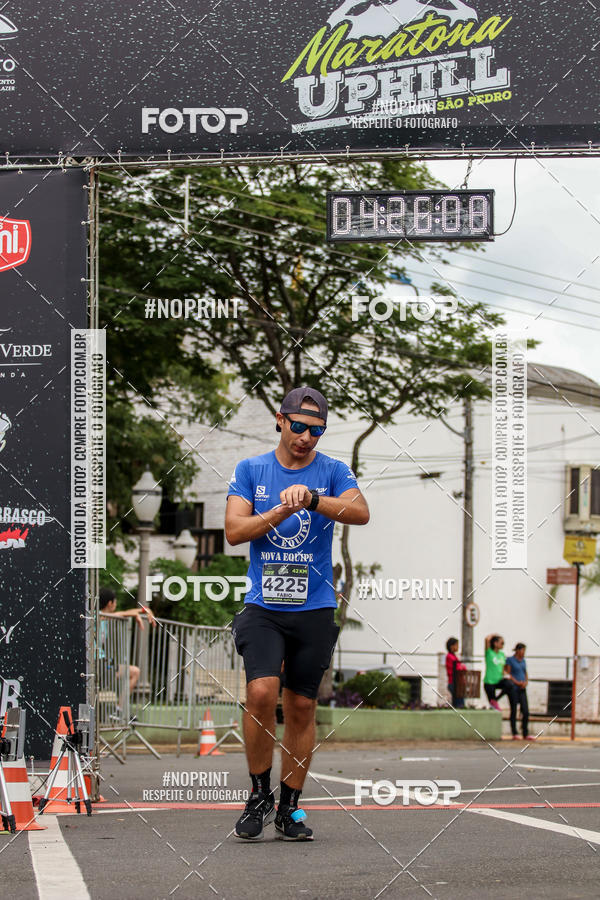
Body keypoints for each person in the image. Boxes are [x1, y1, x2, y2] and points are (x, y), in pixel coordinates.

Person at [226, 387, 370, 841]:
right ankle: (258, 796)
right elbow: (234, 530)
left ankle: (289, 808)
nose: (307, 436)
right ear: (280, 420)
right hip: (264, 606)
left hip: (315, 606)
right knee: (261, 692)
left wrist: (311, 500)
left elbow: (360, 512)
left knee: (302, 705)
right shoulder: (251, 469)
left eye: (317, 430)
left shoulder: (333, 470)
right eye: (299, 426)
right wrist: (278, 511)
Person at [98, 586, 156, 694]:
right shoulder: (96, 616)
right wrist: (135, 613)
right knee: (134, 672)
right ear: (110, 603)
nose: (116, 604)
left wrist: (144, 610)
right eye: (115, 602)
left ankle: (121, 705)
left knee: (134, 672)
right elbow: (119, 614)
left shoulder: (105, 617)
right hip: (97, 664)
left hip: (103, 663)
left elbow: (122, 612)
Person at [506, 643, 535, 740]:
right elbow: (508, 674)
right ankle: (514, 732)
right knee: (514, 710)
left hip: (522, 688)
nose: (523, 653)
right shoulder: (510, 660)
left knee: (525, 711)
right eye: (522, 650)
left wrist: (526, 682)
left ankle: (525, 732)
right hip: (514, 688)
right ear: (518, 650)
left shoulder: (523, 661)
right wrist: (517, 682)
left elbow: (525, 672)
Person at [483, 634, 513, 710]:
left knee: (509, 684)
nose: (503, 645)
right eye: (501, 643)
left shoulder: (502, 654)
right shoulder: (489, 652)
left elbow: (502, 668)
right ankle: (493, 702)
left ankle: (495, 699)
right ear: (495, 643)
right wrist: (496, 635)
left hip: (499, 680)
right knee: (494, 707)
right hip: (489, 681)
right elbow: (487, 639)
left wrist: (506, 675)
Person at [445, 637, 466, 708]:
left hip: (458, 683)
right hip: (453, 682)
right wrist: (461, 667)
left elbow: (462, 667)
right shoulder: (449, 656)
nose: (458, 647)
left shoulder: (454, 656)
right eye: (456, 645)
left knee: (460, 702)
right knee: (459, 703)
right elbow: (457, 668)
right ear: (451, 646)